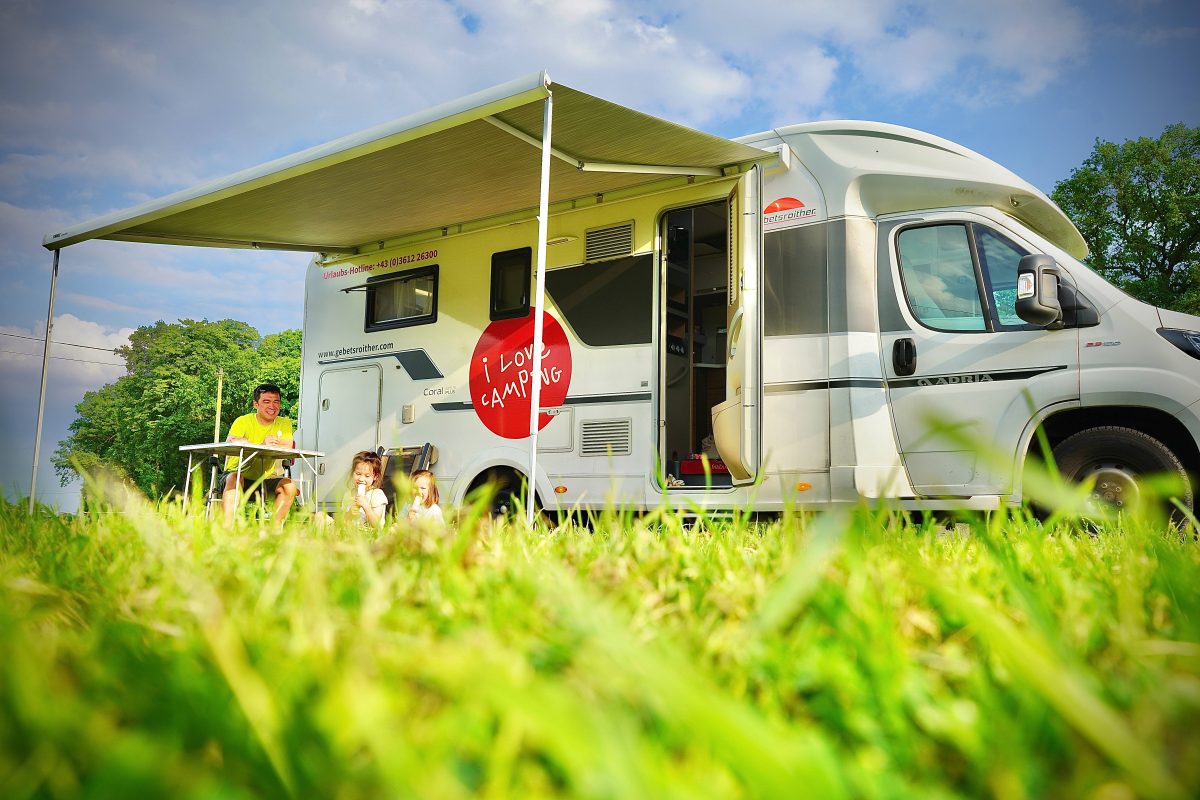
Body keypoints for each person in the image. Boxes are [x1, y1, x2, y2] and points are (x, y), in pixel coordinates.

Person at [221, 382, 298, 525]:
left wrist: (247, 441)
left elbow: (288, 445)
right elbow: (231, 441)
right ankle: (227, 528)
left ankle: (274, 531)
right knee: (234, 478)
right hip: (237, 474)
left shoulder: (284, 422)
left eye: (276, 402)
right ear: (255, 404)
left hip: (266, 479)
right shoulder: (242, 421)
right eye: (266, 401)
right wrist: (260, 445)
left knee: (289, 485)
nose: (272, 406)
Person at [343, 450, 388, 527]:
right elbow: (343, 522)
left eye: (367, 476)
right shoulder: (348, 495)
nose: (361, 479)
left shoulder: (377, 494)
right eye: (358, 474)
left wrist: (366, 507)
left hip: (371, 536)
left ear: (375, 477)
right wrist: (350, 514)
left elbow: (376, 525)